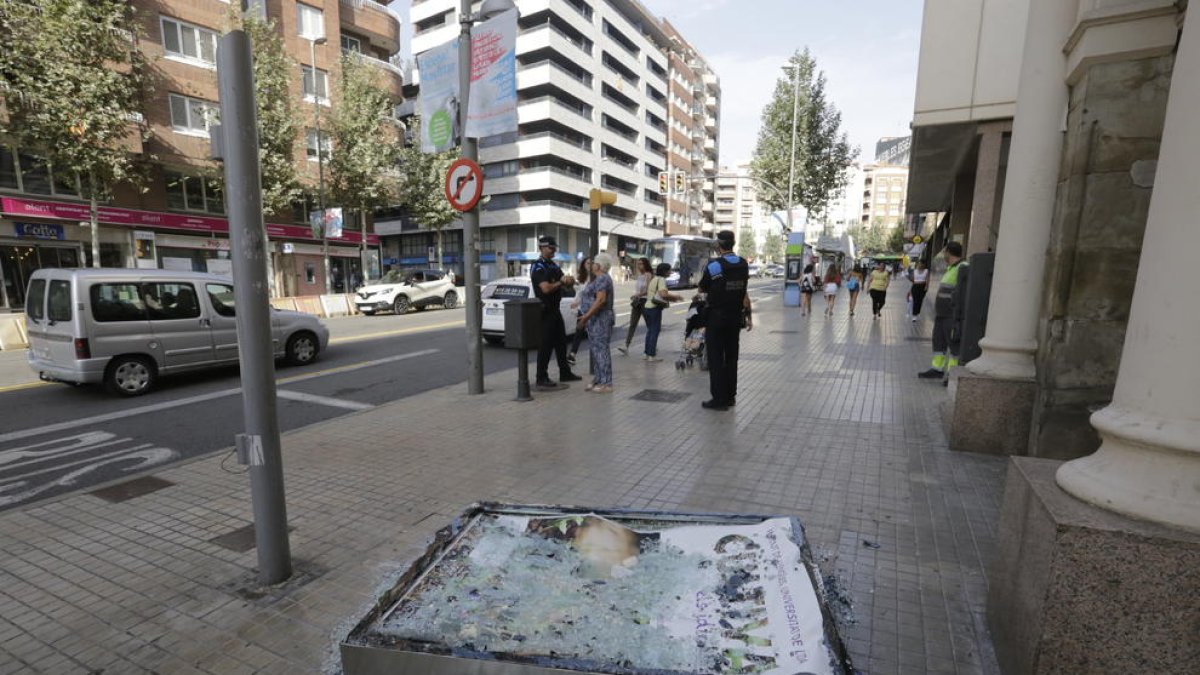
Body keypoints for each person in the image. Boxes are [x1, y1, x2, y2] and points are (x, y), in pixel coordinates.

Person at [698, 230, 752, 411]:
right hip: (735, 318)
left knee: (715, 357)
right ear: (733, 244)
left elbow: (703, 287)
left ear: (718, 245)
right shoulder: (743, 264)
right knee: (731, 357)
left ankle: (718, 399)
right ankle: (730, 397)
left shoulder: (715, 266)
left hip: (716, 318)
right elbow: (743, 290)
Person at [530, 235, 582, 388]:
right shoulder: (538, 267)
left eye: (554, 248)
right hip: (545, 310)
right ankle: (541, 377)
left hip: (555, 309)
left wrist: (567, 280)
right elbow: (545, 288)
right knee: (545, 345)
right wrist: (561, 282)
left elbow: (569, 282)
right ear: (542, 248)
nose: (553, 250)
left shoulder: (553, 265)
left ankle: (565, 372)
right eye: (550, 248)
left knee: (561, 342)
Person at [919, 242, 969, 381]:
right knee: (938, 342)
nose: (944, 255)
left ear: (948, 252)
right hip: (942, 315)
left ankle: (952, 375)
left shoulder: (962, 267)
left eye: (945, 252)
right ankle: (937, 369)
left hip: (951, 315)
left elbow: (963, 293)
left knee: (953, 345)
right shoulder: (951, 268)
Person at [576, 254, 615, 392]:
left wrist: (586, 316)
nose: (591, 265)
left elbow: (600, 300)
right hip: (596, 319)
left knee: (601, 350)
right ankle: (599, 378)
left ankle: (607, 383)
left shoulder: (603, 278)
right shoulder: (599, 279)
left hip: (601, 318)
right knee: (596, 350)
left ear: (599, 265)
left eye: (594, 263)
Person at [642, 262, 682, 361]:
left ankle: (647, 354)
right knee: (655, 331)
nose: (671, 272)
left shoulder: (654, 279)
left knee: (650, 331)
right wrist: (676, 297)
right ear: (665, 271)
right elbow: (663, 294)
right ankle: (652, 355)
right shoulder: (661, 280)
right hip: (654, 308)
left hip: (647, 307)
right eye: (669, 270)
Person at [617, 257, 653, 355]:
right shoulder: (640, 276)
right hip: (637, 302)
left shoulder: (648, 275)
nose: (639, 266)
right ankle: (626, 346)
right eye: (638, 264)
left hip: (645, 302)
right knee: (633, 324)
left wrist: (638, 295)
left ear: (646, 265)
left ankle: (653, 344)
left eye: (641, 264)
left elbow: (649, 291)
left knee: (650, 325)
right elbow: (638, 289)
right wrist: (636, 296)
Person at [567, 256, 593, 365]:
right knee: (579, 331)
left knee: (593, 333)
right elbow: (579, 293)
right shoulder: (581, 278)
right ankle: (572, 354)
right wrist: (576, 302)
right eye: (587, 263)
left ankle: (597, 355)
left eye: (591, 263)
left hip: (592, 309)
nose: (589, 265)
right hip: (582, 309)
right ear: (583, 265)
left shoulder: (595, 278)